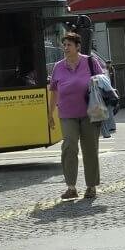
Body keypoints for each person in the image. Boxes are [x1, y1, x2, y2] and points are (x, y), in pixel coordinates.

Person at [47, 32, 102, 200]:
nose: (65, 48)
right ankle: (71, 187)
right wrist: (49, 113)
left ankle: (91, 187)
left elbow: (103, 82)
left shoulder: (91, 62)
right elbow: (54, 91)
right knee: (69, 146)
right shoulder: (58, 66)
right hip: (67, 114)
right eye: (64, 45)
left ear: (78, 46)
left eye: (69, 45)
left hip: (90, 113)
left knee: (90, 150)